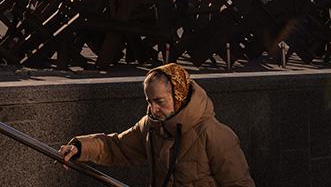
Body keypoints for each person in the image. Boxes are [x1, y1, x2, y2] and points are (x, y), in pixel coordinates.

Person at [59, 63, 254, 187]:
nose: (153, 109)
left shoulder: (215, 134)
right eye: (149, 101)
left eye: (159, 101)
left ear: (179, 97)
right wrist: (79, 148)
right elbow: (116, 147)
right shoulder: (151, 127)